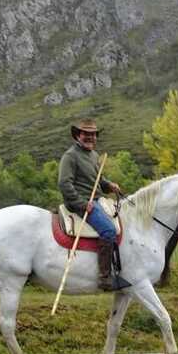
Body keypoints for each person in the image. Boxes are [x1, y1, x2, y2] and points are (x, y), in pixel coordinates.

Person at [57, 119, 123, 291]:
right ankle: (104, 278)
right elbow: (64, 184)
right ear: (78, 135)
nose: (90, 137)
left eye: (93, 134)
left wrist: (109, 185)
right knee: (108, 230)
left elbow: (98, 181)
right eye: (86, 134)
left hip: (95, 201)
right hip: (80, 204)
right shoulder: (70, 156)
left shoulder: (94, 156)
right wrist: (81, 203)